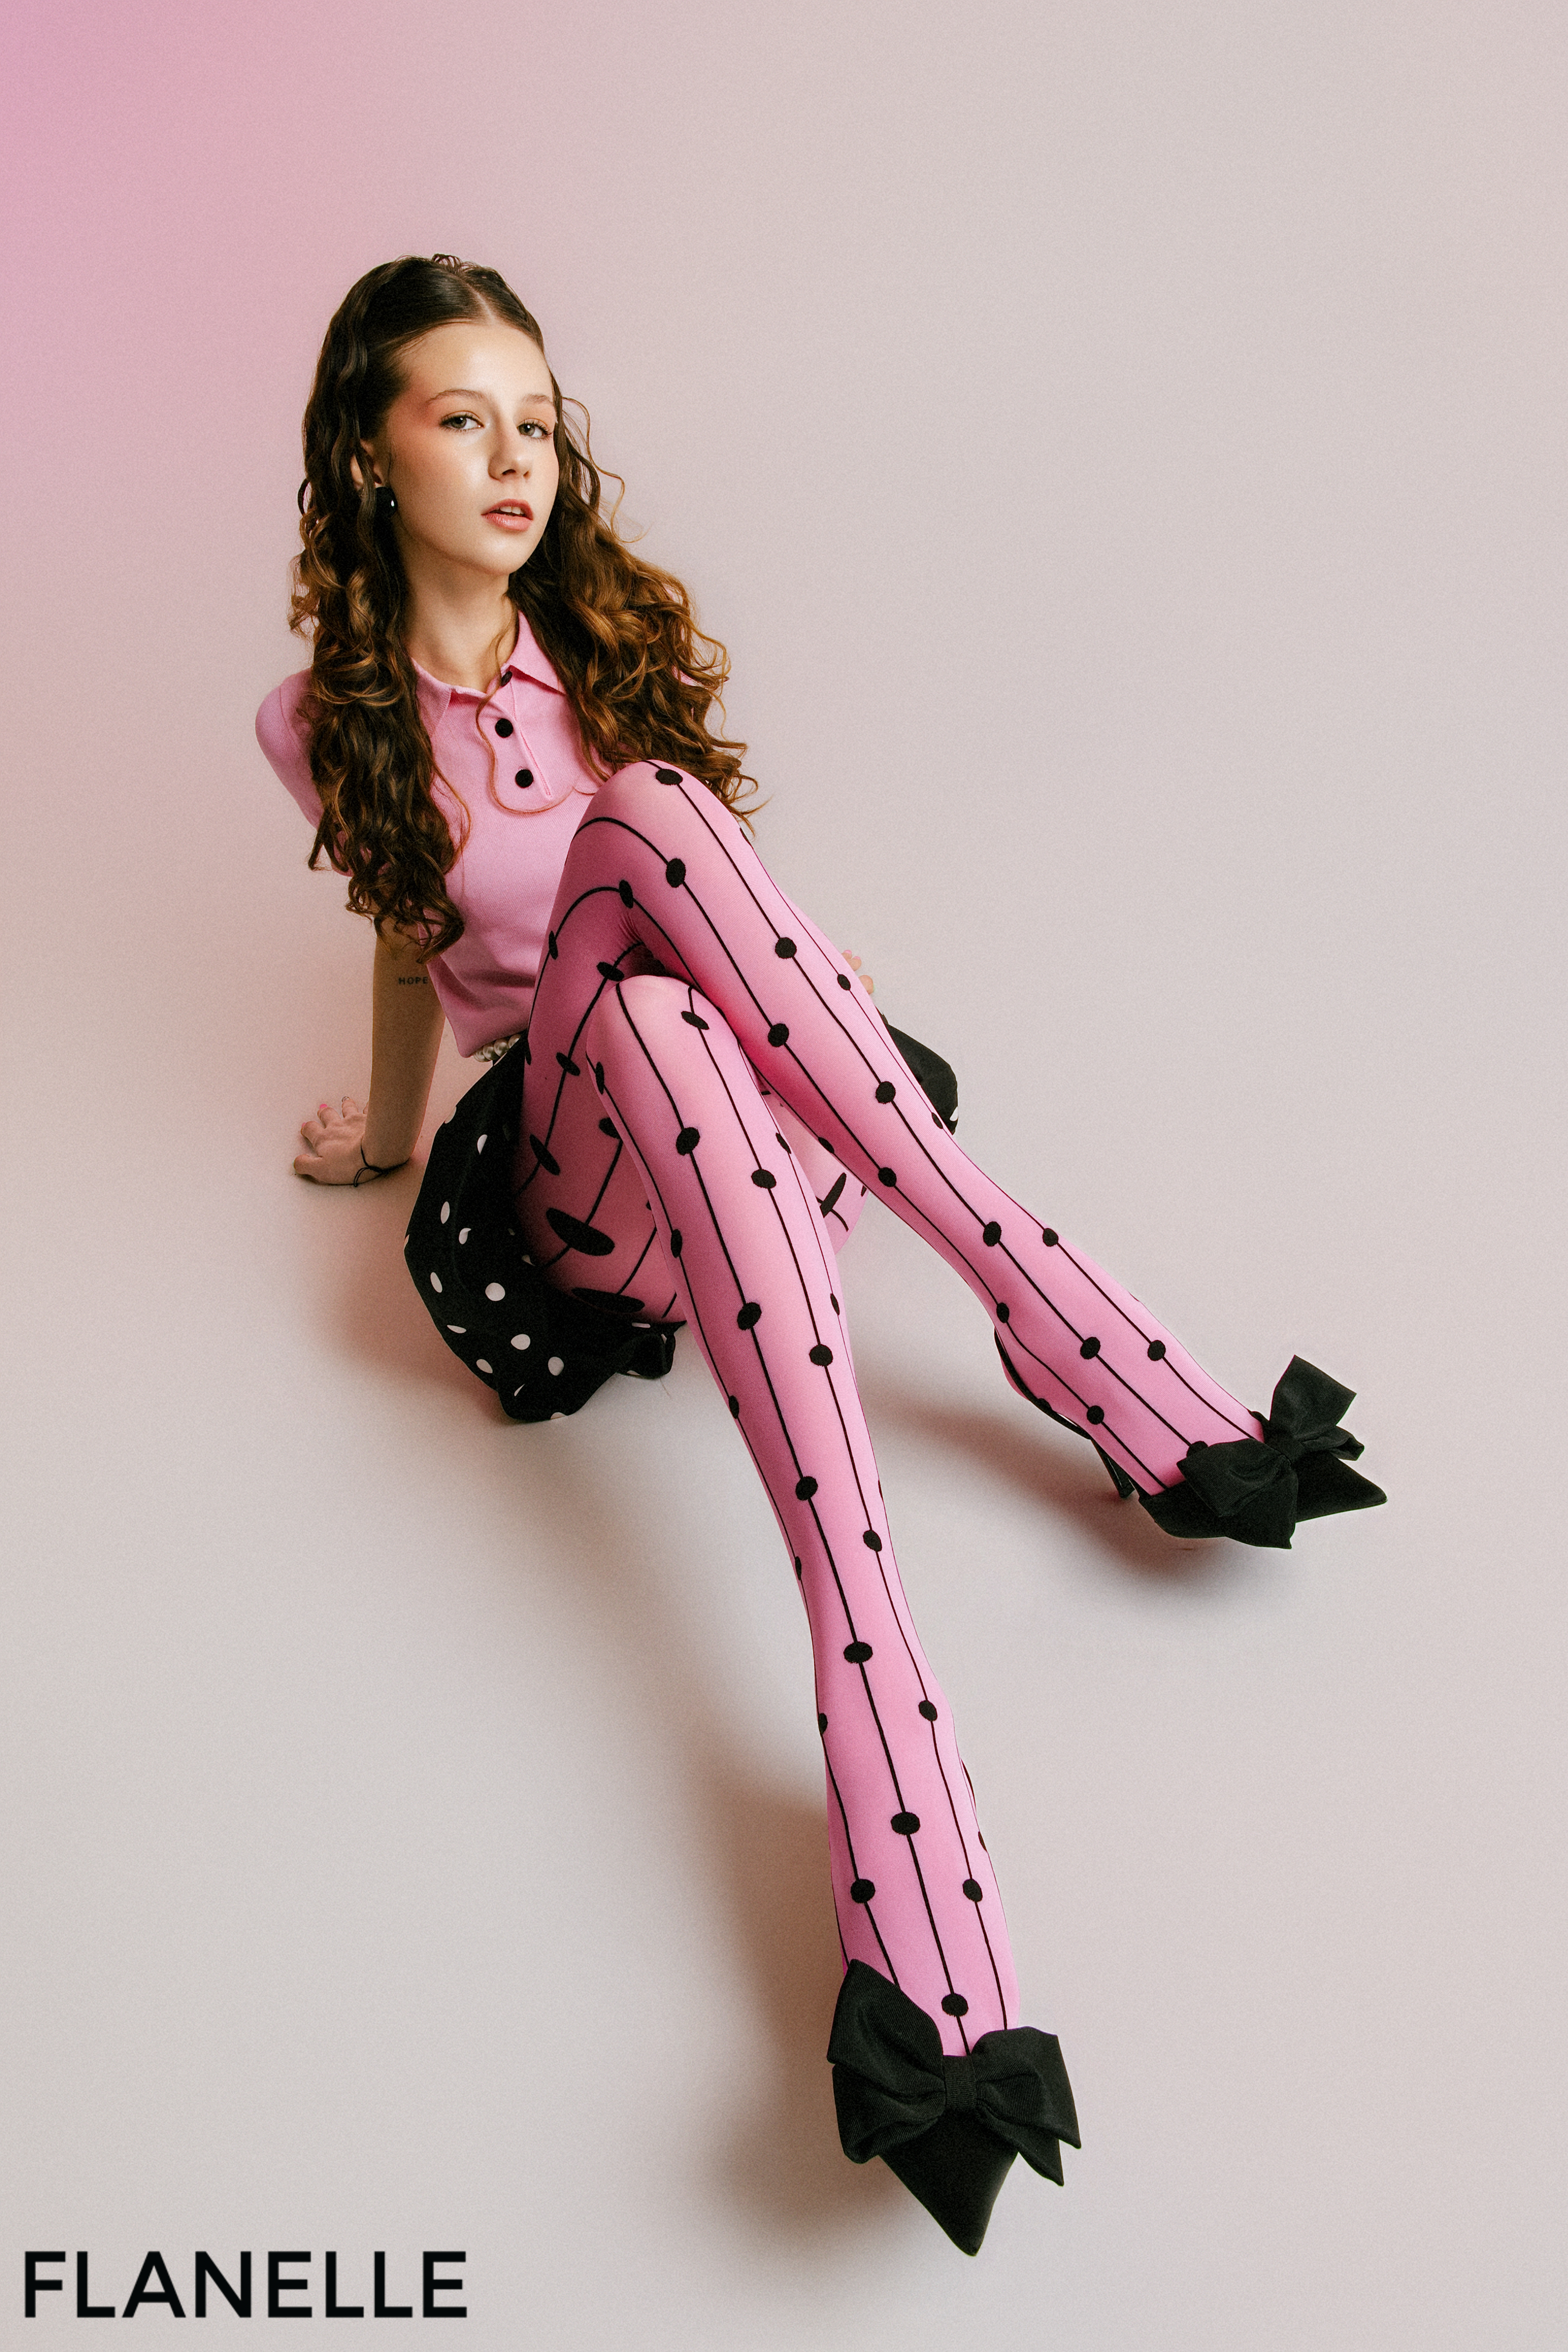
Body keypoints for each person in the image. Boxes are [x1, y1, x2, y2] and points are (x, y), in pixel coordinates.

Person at [257, 254, 1383, 2254]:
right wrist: (382, 1133)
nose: (518, 460)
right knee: (654, 858)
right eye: (464, 420)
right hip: (566, 1204)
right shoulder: (318, 720)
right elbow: (407, 938)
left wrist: (811, 991)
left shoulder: (584, 649)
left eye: (536, 421)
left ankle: (895, 1750)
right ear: (369, 450)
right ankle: (1061, 1320)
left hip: (729, 1148)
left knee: (679, 904)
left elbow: (698, 896)